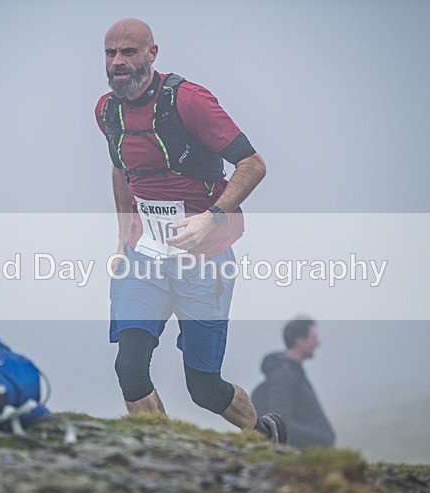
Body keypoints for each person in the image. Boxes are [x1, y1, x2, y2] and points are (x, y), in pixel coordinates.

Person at [95, 18, 286, 443]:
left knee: (203, 387)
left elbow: (253, 165)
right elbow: (121, 168)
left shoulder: (189, 101)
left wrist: (211, 217)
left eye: (129, 52)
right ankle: (163, 461)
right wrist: (124, 236)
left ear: (152, 53)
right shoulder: (108, 111)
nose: (118, 62)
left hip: (206, 257)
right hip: (146, 254)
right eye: (111, 53)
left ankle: (265, 437)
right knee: (129, 366)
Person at [251, 318, 336, 449]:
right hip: (298, 458)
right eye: (313, 338)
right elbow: (281, 423)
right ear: (300, 342)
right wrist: (322, 438)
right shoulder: (284, 376)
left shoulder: (291, 372)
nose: (318, 343)